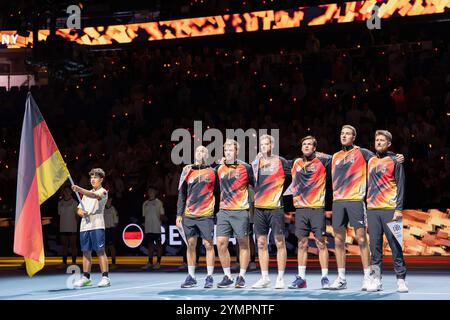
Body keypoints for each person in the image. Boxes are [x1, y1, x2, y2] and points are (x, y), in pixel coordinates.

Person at [329, 125, 404, 290]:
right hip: (338, 202)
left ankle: (368, 277)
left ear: (353, 137)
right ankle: (341, 278)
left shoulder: (362, 153)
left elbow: (380, 155)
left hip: (356, 201)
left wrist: (396, 156)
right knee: (339, 240)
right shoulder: (334, 156)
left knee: (362, 239)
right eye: (342, 133)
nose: (344, 136)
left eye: (348, 133)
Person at [366, 130, 408, 293]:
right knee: (375, 247)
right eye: (376, 140)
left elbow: (401, 186)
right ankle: (376, 279)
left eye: (382, 140)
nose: (378, 142)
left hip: (390, 210)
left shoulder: (395, 161)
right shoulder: (370, 160)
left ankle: (401, 280)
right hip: (372, 210)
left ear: (388, 143)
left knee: (395, 246)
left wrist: (399, 208)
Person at [287, 136, 331, 289]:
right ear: (301, 148)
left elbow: (339, 159)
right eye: (304, 144)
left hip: (317, 208)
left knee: (320, 243)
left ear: (314, 148)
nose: (306, 146)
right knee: (302, 244)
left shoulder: (323, 162)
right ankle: (302, 278)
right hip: (300, 209)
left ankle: (325, 278)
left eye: (309, 144)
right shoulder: (296, 163)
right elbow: (277, 164)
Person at [251, 134, 291, 289]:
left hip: (275, 208)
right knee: (261, 243)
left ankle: (280, 278)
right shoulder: (256, 163)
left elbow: (292, 177)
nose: (263, 147)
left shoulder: (281, 161)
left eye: (266, 144)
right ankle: (264, 277)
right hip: (259, 208)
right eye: (261, 144)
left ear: (272, 145)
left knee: (279, 242)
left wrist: (280, 192)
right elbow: (249, 178)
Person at [176, 146, 218, 288]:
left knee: (208, 245)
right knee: (191, 245)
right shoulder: (187, 171)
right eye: (198, 151)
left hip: (206, 214)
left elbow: (220, 191)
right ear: (194, 154)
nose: (201, 153)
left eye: (203, 152)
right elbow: (181, 194)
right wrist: (178, 214)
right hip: (189, 215)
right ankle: (191, 277)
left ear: (207, 155)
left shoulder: (213, 172)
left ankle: (209, 276)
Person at [216, 139, 254, 288]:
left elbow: (255, 184)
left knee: (243, 244)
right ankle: (227, 276)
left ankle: (242, 277)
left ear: (237, 152)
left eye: (231, 150)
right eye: (226, 150)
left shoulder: (246, 168)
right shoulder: (219, 168)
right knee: (221, 244)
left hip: (240, 211)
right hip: (224, 211)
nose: (228, 152)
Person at [72, 168, 110, 288]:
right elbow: (78, 209)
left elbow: (93, 195)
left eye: (95, 177)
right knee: (85, 252)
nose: (93, 180)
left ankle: (105, 277)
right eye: (91, 177)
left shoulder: (103, 192)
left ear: (101, 179)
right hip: (84, 226)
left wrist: (79, 189)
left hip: (97, 225)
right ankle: (86, 278)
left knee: (100, 251)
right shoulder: (85, 195)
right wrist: (81, 213)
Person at [142, 186, 165, 270]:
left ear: (155, 192)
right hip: (148, 228)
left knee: (158, 245)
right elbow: (144, 216)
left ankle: (158, 262)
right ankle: (150, 262)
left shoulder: (159, 203)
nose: (150, 192)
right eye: (149, 190)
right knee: (150, 245)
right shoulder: (145, 203)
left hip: (156, 228)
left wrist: (161, 220)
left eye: (152, 190)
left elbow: (162, 215)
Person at [57, 186, 79, 269]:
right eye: (65, 191)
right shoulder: (60, 203)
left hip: (72, 227)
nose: (66, 192)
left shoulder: (74, 203)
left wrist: (76, 225)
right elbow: (60, 214)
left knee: (73, 245)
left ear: (71, 192)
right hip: (63, 227)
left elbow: (77, 215)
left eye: (68, 191)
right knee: (64, 245)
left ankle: (74, 262)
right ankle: (64, 262)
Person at [104, 196, 119, 267]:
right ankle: (105, 263)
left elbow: (116, 222)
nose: (107, 200)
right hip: (104, 230)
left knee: (111, 247)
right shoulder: (102, 209)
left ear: (111, 199)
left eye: (109, 199)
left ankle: (113, 263)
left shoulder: (113, 209)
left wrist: (113, 231)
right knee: (105, 247)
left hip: (111, 230)